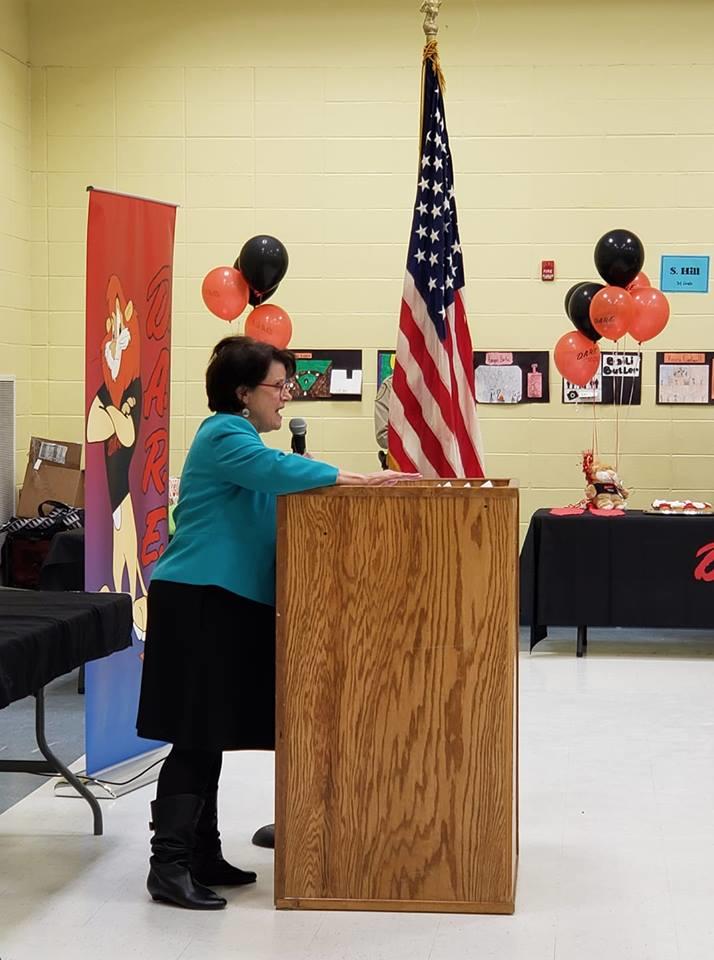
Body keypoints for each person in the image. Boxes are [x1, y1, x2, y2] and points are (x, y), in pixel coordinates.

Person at [136, 335, 416, 911]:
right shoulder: (223, 434)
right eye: (277, 386)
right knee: (194, 733)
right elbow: (279, 468)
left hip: (223, 600)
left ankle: (202, 853)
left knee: (209, 730)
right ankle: (167, 866)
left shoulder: (238, 438)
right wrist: (358, 479)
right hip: (198, 599)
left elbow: (279, 481)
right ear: (243, 393)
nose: (284, 397)